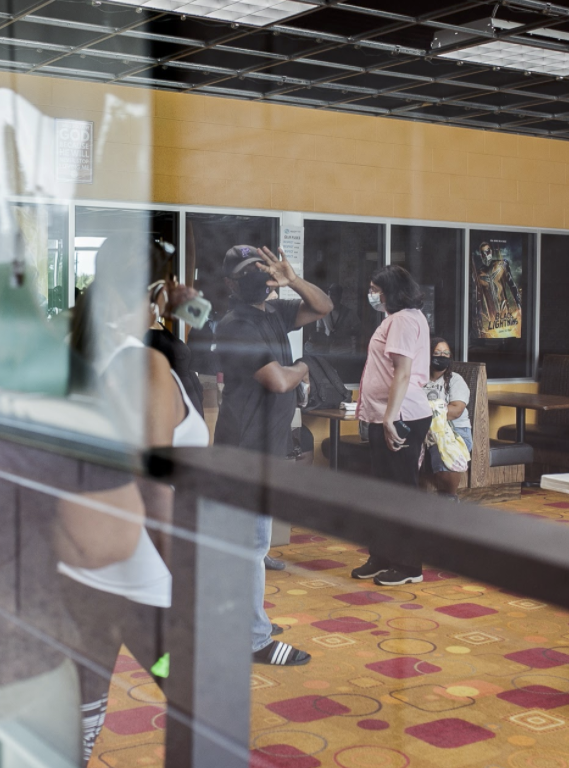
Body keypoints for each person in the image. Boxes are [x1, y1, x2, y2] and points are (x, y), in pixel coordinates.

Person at [62, 236, 210, 762]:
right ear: (154, 290)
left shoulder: (80, 350)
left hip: (85, 580)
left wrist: (171, 303)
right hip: (146, 591)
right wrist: (185, 575)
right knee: (200, 705)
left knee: (80, 720)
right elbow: (152, 483)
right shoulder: (144, 366)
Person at [215, 243, 331, 666]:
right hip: (245, 452)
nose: (258, 278)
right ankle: (253, 639)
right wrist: (307, 366)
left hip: (264, 448)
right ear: (231, 283)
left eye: (261, 270)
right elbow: (279, 381)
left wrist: (293, 280)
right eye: (247, 272)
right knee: (249, 546)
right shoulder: (234, 325)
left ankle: (243, 620)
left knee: (250, 546)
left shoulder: (275, 312)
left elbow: (323, 306)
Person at [350, 265, 432, 587]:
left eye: (375, 289)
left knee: (399, 491)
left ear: (391, 291)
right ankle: (382, 556)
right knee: (383, 491)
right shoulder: (400, 318)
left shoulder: (401, 320)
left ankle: (409, 565)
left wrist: (390, 417)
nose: (371, 294)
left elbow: (402, 373)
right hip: (387, 413)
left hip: (400, 416)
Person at [422, 336, 472, 498]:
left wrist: (424, 412)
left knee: (442, 447)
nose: (441, 357)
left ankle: (449, 498)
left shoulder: (456, 380)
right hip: (423, 430)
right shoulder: (417, 379)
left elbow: (456, 410)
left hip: (456, 431)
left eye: (446, 353)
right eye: (436, 353)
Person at [305, 283, 361, 357]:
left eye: (333, 294)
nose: (330, 297)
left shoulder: (349, 313)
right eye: (329, 294)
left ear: (340, 296)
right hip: (327, 351)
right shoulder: (323, 312)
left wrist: (345, 332)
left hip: (345, 352)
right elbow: (319, 330)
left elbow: (359, 330)